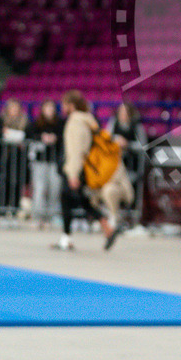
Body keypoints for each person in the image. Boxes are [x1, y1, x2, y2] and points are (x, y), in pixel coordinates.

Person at [56, 90, 120, 251]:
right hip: (81, 168)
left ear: (71, 105)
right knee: (82, 200)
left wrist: (73, 174)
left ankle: (67, 238)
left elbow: (77, 150)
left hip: (75, 168)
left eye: (64, 104)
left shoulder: (75, 122)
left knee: (68, 200)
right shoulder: (87, 120)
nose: (62, 107)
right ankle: (106, 226)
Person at [25, 99, 63, 228]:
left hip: (55, 162)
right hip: (40, 161)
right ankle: (38, 216)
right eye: (47, 107)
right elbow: (29, 135)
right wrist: (41, 138)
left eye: (51, 108)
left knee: (54, 188)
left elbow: (63, 137)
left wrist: (55, 139)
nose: (49, 110)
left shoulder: (60, 123)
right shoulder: (36, 123)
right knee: (39, 189)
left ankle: (52, 215)